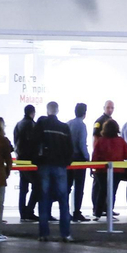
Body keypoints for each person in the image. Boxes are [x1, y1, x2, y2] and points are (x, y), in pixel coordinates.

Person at [34, 101, 74, 242]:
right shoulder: (64, 127)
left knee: (44, 198)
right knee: (63, 200)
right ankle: (65, 233)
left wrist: (37, 160)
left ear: (47, 111)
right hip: (60, 166)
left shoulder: (41, 125)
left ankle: (43, 233)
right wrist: (66, 162)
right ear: (57, 111)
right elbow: (70, 148)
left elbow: (34, 143)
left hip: (44, 165)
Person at [91, 118, 127, 219]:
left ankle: (98, 213)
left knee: (102, 190)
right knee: (112, 191)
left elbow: (95, 156)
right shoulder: (120, 141)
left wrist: (93, 168)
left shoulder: (100, 141)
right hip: (117, 170)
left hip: (101, 171)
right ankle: (109, 212)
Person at [13, 104, 39, 222]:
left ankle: (23, 212)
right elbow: (33, 144)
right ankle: (29, 211)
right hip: (30, 160)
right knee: (37, 186)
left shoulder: (18, 124)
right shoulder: (32, 125)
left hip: (20, 159)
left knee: (23, 187)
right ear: (32, 113)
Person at [68, 103, 90, 222]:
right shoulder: (82, 125)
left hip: (68, 159)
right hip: (79, 159)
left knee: (67, 187)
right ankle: (77, 212)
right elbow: (82, 143)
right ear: (84, 113)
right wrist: (87, 157)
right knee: (79, 187)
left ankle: (65, 211)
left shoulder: (68, 123)